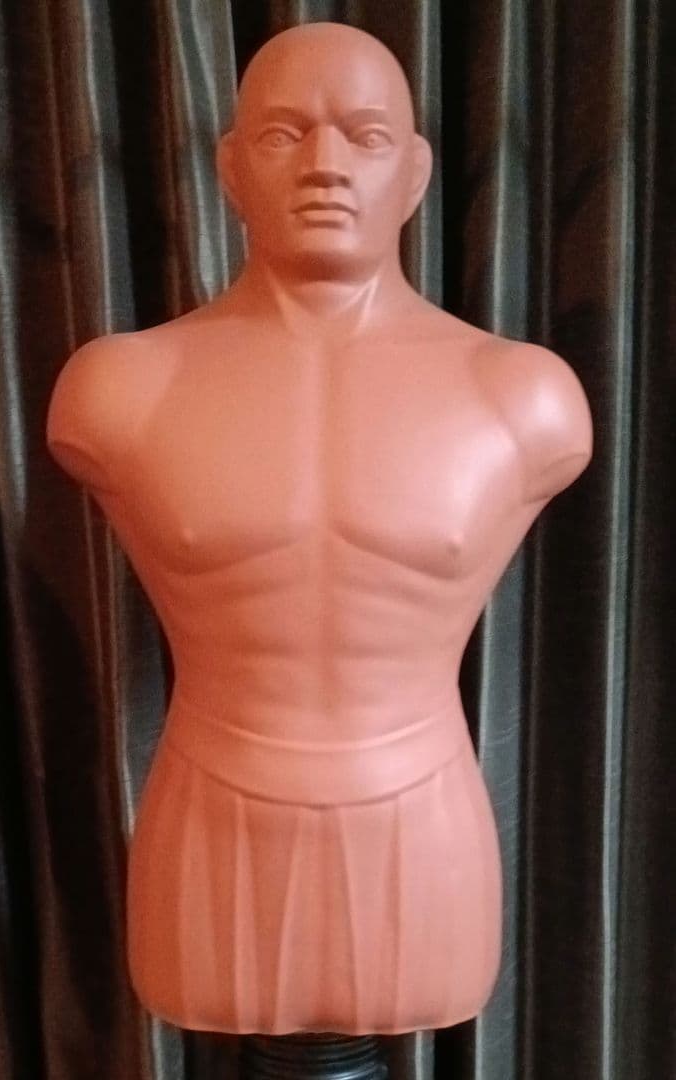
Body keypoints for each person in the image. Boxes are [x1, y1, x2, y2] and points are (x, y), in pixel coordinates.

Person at [46, 21, 592, 1035]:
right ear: (229, 169)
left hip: (422, 828)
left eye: (365, 134)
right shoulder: (120, 388)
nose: (326, 164)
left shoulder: (523, 396)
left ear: (416, 172)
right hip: (209, 821)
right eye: (284, 134)